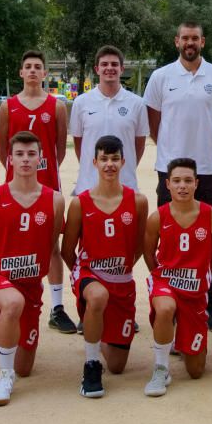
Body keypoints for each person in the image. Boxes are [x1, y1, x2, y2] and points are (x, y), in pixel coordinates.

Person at [144, 22, 212, 331]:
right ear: (176, 41)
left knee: (204, 239)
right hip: (170, 169)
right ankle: (168, 295)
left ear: (203, 42)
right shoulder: (160, 77)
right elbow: (154, 122)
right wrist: (172, 152)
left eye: (195, 38)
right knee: (169, 237)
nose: (190, 42)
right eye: (185, 37)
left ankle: (206, 299)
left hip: (206, 169)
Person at [0, 130, 64, 406]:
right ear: (9, 159)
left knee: (26, 367)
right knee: (12, 303)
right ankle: (3, 376)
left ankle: (7, 333)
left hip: (30, 283)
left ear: (41, 159)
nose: (25, 159)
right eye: (19, 154)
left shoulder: (55, 200)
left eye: (31, 154)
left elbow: (51, 245)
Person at [0, 50, 75, 336]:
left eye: (37, 67)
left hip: (47, 184)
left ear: (44, 74)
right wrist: (20, 172)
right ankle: (2, 303)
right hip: (15, 186)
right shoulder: (8, 106)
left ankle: (56, 307)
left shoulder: (57, 106)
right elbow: (3, 148)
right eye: (27, 66)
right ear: (21, 72)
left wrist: (42, 171)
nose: (32, 71)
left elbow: (60, 149)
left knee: (51, 244)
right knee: (10, 244)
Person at [62, 135, 148, 398]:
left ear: (123, 162)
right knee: (98, 296)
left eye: (114, 159)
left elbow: (138, 247)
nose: (109, 164)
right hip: (90, 274)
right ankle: (91, 364)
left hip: (121, 280)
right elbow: (67, 251)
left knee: (119, 366)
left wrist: (118, 269)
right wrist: (84, 280)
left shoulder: (138, 201)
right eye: (104, 159)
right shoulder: (80, 202)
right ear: (94, 162)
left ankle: (95, 331)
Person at [142, 158, 212, 396]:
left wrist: (200, 274)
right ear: (167, 184)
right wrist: (161, 278)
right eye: (176, 181)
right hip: (166, 282)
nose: (182, 186)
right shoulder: (158, 217)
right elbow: (148, 253)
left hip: (195, 290)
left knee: (196, 371)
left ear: (197, 184)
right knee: (166, 308)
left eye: (188, 181)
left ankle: (180, 338)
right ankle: (161, 368)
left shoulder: (211, 216)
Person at [70, 45, 149, 195]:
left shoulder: (137, 104)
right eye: (104, 64)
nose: (109, 68)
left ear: (122, 69)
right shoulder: (81, 102)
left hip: (125, 185)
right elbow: (79, 145)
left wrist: (123, 167)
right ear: (97, 69)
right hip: (89, 186)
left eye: (114, 64)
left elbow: (139, 145)